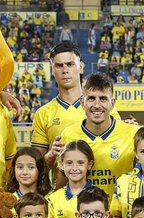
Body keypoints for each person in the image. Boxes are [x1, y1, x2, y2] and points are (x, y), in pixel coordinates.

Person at [57, 73, 137, 195]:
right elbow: (61, 187)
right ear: (82, 103)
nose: (97, 105)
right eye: (91, 98)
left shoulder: (132, 134)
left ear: (112, 103)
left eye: (103, 99)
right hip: (84, 213)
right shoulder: (68, 135)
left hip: (121, 212)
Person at [31, 42, 101, 170]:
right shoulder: (43, 114)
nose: (65, 70)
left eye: (70, 64)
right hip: (59, 189)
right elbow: (35, 167)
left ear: (81, 67)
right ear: (53, 70)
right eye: (59, 66)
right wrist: (51, 154)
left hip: (97, 188)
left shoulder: (101, 107)